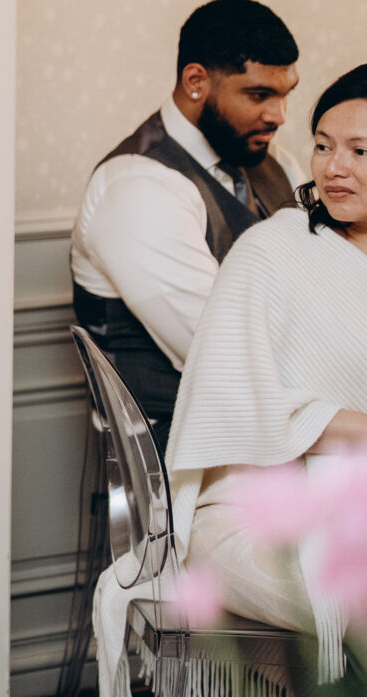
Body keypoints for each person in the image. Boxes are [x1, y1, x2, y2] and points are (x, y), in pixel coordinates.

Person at [156, 65, 367, 689]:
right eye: (323, 145)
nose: (334, 168)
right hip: (258, 511)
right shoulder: (271, 252)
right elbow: (234, 404)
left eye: (360, 152)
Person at [69, 0, 301, 453]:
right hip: (178, 451)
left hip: (274, 429)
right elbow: (226, 355)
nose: (279, 115)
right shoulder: (137, 189)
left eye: (285, 94)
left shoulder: (278, 163)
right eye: (259, 95)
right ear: (196, 82)